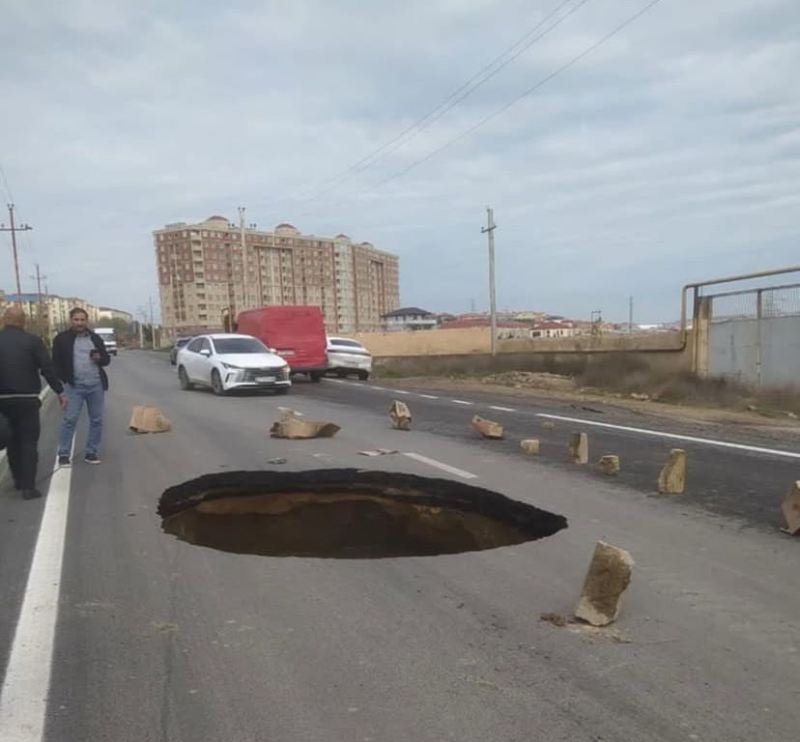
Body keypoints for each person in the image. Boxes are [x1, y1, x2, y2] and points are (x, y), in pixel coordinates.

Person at [0, 306, 66, 499]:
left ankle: (18, 479)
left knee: (12, 441)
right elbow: (47, 369)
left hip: (2, 400)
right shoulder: (33, 341)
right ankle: (28, 487)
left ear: (3, 320)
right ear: (24, 321)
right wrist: (60, 391)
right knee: (28, 441)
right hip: (27, 398)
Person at [53, 307, 111, 466]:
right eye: (76, 320)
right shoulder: (61, 339)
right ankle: (63, 453)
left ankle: (91, 452)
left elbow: (106, 360)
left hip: (95, 385)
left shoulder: (95, 338)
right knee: (69, 420)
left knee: (97, 420)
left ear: (87, 321)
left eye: (82, 320)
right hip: (74, 387)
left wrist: (99, 358)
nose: (79, 323)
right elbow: (55, 363)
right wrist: (62, 383)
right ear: (71, 320)